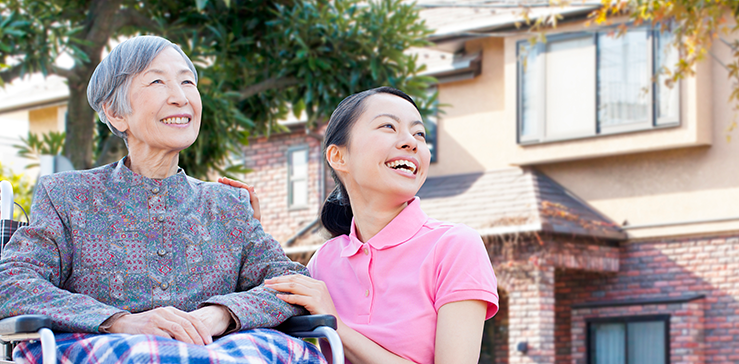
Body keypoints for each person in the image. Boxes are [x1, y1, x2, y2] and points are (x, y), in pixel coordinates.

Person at [0, 35, 323, 363]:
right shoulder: (67, 196)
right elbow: (11, 282)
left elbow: (290, 283)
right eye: (157, 81)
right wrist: (120, 321)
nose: (180, 97)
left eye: (187, 81)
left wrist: (220, 314)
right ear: (115, 112)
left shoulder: (228, 205)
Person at [254, 87, 499, 363]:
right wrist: (250, 233)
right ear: (338, 157)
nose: (411, 142)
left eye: (419, 133)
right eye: (388, 126)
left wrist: (336, 325)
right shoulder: (324, 261)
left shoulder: (455, 246)